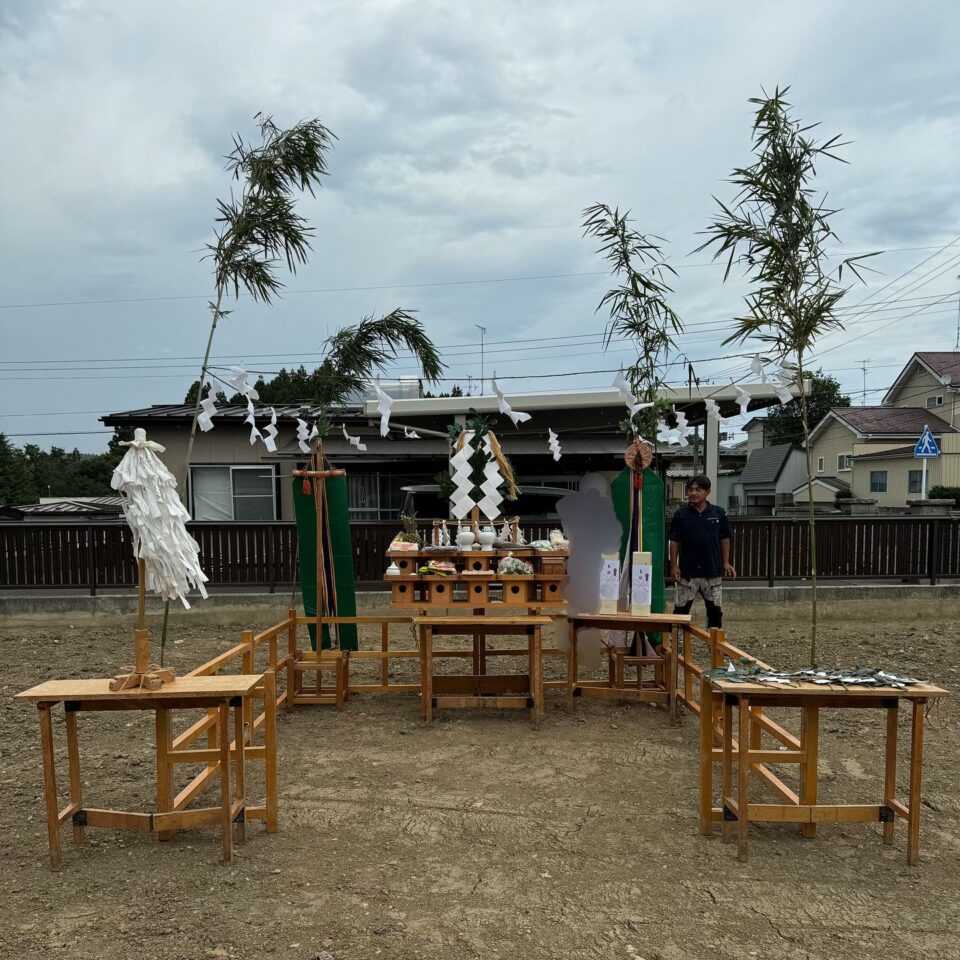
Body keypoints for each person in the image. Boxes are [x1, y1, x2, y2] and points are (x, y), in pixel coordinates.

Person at [668, 475, 736, 628]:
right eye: (690, 490)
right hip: (687, 572)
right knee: (680, 610)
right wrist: (674, 565)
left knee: (715, 611)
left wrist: (726, 562)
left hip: (712, 571)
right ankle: (677, 646)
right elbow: (674, 541)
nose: (693, 493)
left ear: (707, 492)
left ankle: (714, 645)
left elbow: (725, 539)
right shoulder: (681, 515)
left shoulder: (718, 513)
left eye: (698, 490)